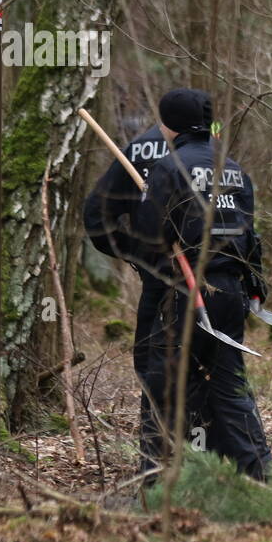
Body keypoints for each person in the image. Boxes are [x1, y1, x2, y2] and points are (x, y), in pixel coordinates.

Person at [136, 88, 272, 481]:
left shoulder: (168, 168)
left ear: (168, 125)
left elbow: (149, 239)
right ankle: (259, 477)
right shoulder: (232, 168)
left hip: (186, 292)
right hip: (232, 290)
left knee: (166, 388)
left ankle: (157, 483)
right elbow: (251, 236)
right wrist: (255, 290)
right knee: (230, 389)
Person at [83, 113, 173, 477]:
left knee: (156, 366)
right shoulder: (213, 157)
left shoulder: (142, 149)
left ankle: (157, 466)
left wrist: (134, 252)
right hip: (209, 283)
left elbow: (96, 214)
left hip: (166, 279)